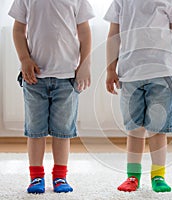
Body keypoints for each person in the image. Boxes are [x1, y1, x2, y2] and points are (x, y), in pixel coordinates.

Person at [9, 0, 94, 194]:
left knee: (62, 131)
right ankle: (36, 176)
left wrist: (85, 65)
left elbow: (84, 32)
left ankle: (60, 176)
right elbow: (18, 30)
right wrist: (24, 59)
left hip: (67, 78)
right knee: (35, 131)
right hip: (34, 79)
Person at [104, 0, 172, 193]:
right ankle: (132, 176)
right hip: (130, 75)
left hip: (162, 74)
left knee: (157, 130)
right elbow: (113, 35)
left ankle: (158, 175)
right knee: (134, 129)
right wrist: (110, 69)